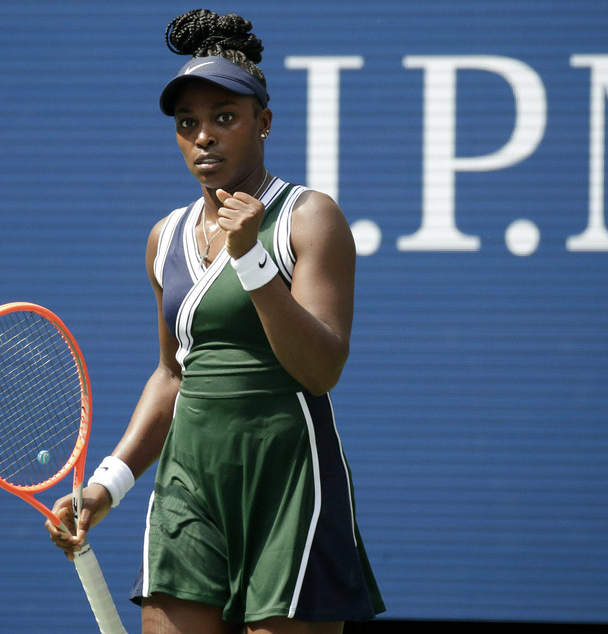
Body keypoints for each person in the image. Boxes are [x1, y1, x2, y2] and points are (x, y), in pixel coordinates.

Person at [46, 9, 384, 633]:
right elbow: (172, 376)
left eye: (224, 118)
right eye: (188, 124)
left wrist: (251, 259)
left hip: (287, 483)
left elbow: (320, 368)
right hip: (189, 485)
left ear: (264, 123)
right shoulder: (164, 237)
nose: (204, 137)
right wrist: (103, 489)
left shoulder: (310, 217)